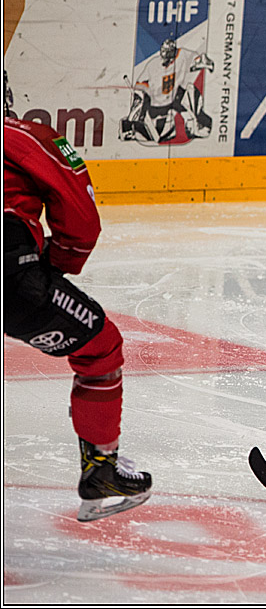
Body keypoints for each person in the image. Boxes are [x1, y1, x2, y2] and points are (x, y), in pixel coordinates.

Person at [4, 74, 152, 522]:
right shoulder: (24, 136)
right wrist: (54, 264)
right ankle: (102, 468)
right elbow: (80, 219)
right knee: (101, 348)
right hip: (10, 275)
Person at [119, 38, 213, 144]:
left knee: (190, 90)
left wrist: (206, 63)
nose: (164, 59)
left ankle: (200, 124)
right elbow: (140, 86)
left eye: (168, 55)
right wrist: (137, 103)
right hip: (158, 104)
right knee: (161, 134)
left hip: (176, 98)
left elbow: (198, 59)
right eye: (163, 53)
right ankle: (129, 127)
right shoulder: (153, 64)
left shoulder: (183, 55)